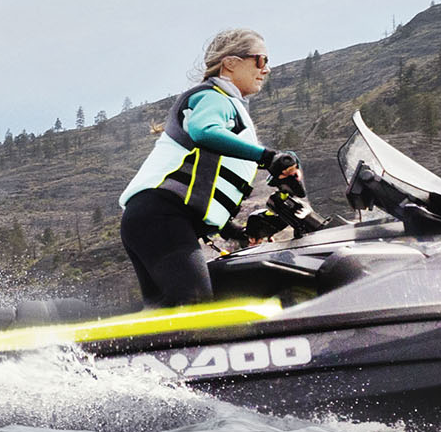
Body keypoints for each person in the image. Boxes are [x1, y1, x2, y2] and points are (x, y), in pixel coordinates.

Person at [116, 27, 307, 308]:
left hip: (154, 218)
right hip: (161, 215)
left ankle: (111, 353)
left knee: (166, 310)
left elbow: (204, 180)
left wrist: (234, 230)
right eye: (261, 60)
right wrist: (268, 158)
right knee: (193, 303)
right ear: (230, 62)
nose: (266, 70)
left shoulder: (229, 105)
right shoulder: (215, 97)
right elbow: (203, 131)